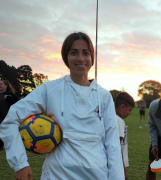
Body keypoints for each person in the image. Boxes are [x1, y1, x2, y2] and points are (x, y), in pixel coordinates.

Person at [0, 32, 124, 180]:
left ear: (92, 58)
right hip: (57, 175)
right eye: (74, 52)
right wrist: (20, 164)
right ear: (66, 57)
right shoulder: (49, 90)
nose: (80, 58)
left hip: (98, 175)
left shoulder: (104, 97)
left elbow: (112, 144)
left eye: (85, 53)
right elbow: (11, 119)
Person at [115, 92, 135, 180]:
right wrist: (123, 170)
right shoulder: (119, 121)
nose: (129, 113)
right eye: (129, 110)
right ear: (122, 107)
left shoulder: (112, 118)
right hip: (117, 165)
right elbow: (117, 148)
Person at [0, 79, 19, 150]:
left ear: (6, 86)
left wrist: (8, 98)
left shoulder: (11, 95)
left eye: (1, 84)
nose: (0, 85)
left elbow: (17, 104)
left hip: (8, 120)